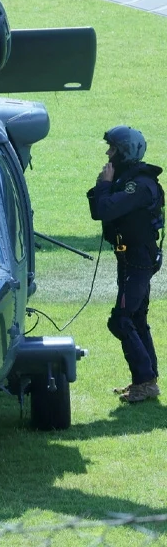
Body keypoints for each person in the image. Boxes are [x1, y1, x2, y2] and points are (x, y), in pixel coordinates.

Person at [88, 126, 164, 404]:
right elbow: (101, 209)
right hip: (132, 258)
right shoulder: (129, 180)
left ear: (126, 151)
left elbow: (104, 209)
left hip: (137, 261)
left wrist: (104, 185)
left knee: (121, 320)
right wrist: (105, 185)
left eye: (113, 149)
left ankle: (145, 382)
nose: (108, 153)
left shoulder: (138, 185)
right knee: (136, 318)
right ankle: (146, 380)